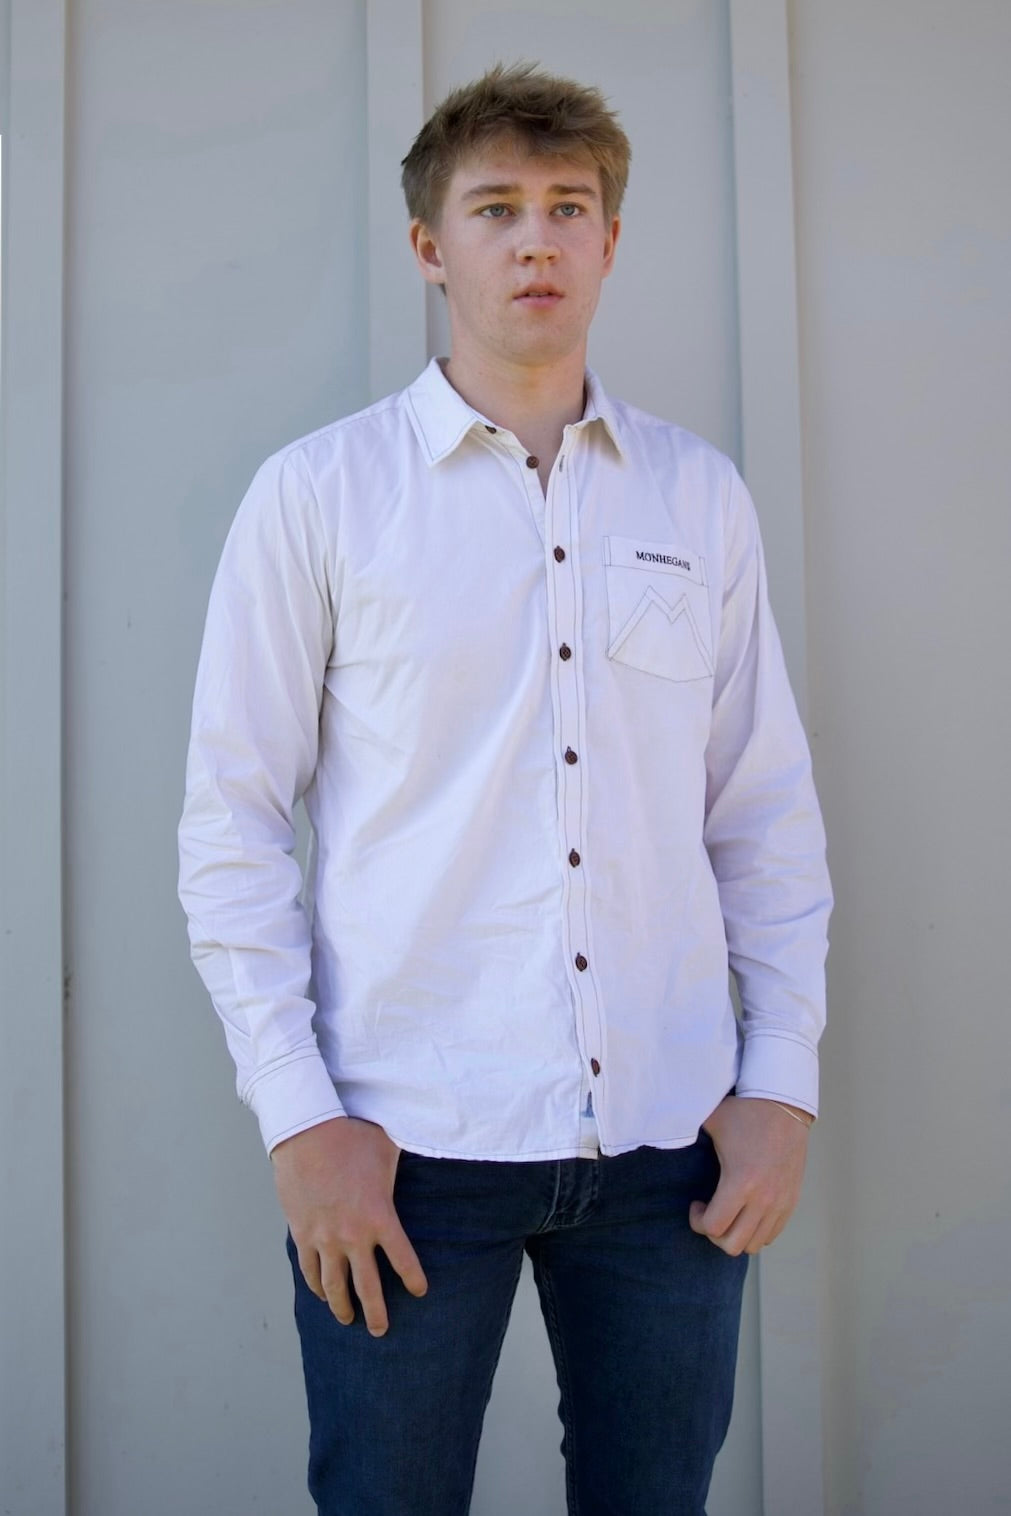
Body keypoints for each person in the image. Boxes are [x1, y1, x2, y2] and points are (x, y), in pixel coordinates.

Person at [178, 61, 831, 1516]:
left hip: (669, 1153)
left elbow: (763, 816)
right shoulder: (322, 499)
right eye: (495, 209)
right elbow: (228, 824)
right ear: (431, 248)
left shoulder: (695, 499)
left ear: (609, 241)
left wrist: (779, 1082)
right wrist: (301, 1122)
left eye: (567, 207)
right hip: (405, 1157)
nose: (535, 239)